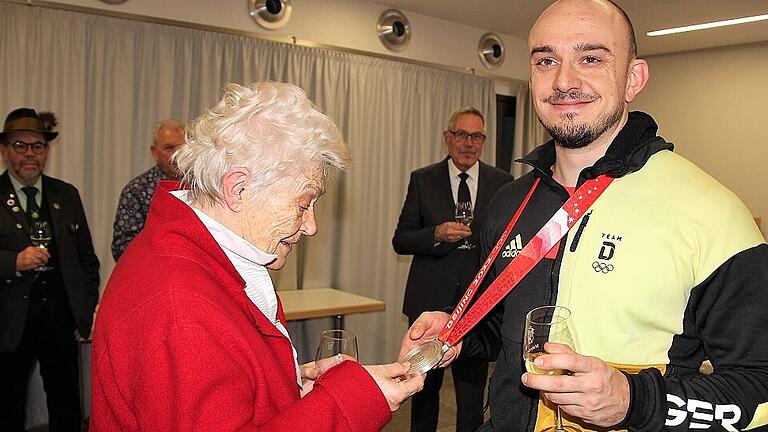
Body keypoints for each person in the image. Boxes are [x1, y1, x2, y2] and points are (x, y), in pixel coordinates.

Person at [400, 1, 768, 431]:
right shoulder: (510, 201)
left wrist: (633, 399)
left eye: (590, 58)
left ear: (633, 79)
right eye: (546, 60)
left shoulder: (710, 211)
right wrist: (457, 333)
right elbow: (501, 325)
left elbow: (759, 389)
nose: (564, 80)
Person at [91, 81, 425, 431]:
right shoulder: (183, 310)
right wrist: (353, 401)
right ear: (238, 189)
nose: (311, 226)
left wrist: (292, 382)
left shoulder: (187, 253)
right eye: (304, 203)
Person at [392, 107, 512, 432]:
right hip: (429, 303)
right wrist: (435, 234)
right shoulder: (423, 179)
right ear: (447, 138)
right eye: (461, 134)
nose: (468, 143)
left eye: (476, 136)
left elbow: (506, 243)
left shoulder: (503, 182)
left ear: (484, 140)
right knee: (424, 393)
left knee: (471, 399)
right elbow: (401, 240)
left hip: (476, 310)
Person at [0, 108, 100, 431]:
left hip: (61, 323)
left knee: (67, 406)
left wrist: (83, 313)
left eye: (38, 146)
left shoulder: (66, 194)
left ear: (46, 151)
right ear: (4, 151)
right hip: (8, 325)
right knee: (8, 406)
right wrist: (13, 262)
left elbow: (87, 260)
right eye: (20, 145)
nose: (30, 154)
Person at [110, 118, 184, 261]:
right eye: (169, 148)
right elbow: (122, 248)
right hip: (153, 274)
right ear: (154, 152)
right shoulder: (137, 190)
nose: (177, 154)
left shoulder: (200, 186)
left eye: (182, 148)